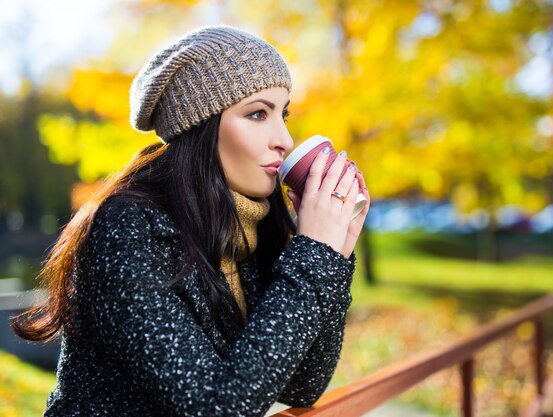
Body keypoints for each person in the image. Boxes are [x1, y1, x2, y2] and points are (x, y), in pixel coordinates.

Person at [11, 25, 369, 416]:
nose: (283, 139)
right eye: (257, 114)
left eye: (282, 114)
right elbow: (215, 407)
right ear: (200, 127)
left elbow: (303, 385)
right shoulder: (127, 228)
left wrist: (336, 253)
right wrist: (313, 255)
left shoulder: (243, 227)